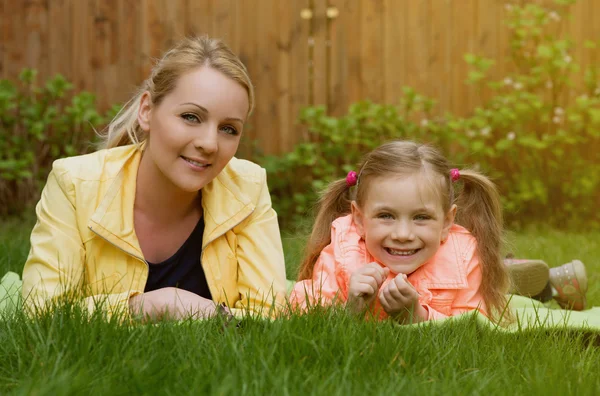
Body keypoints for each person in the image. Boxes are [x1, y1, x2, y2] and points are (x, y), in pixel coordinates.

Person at [21, 36, 287, 321]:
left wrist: (205, 312)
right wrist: (156, 305)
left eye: (229, 129)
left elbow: (269, 314)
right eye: (191, 117)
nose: (210, 143)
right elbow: (42, 313)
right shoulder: (74, 184)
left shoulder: (248, 186)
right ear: (147, 110)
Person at [290, 140, 510, 324]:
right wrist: (351, 309)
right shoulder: (343, 251)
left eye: (421, 217)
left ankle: (516, 269)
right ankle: (515, 266)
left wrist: (418, 315)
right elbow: (301, 315)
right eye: (386, 216)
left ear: (446, 223)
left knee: (497, 281)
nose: (403, 234)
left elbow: (475, 325)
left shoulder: (462, 254)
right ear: (359, 219)